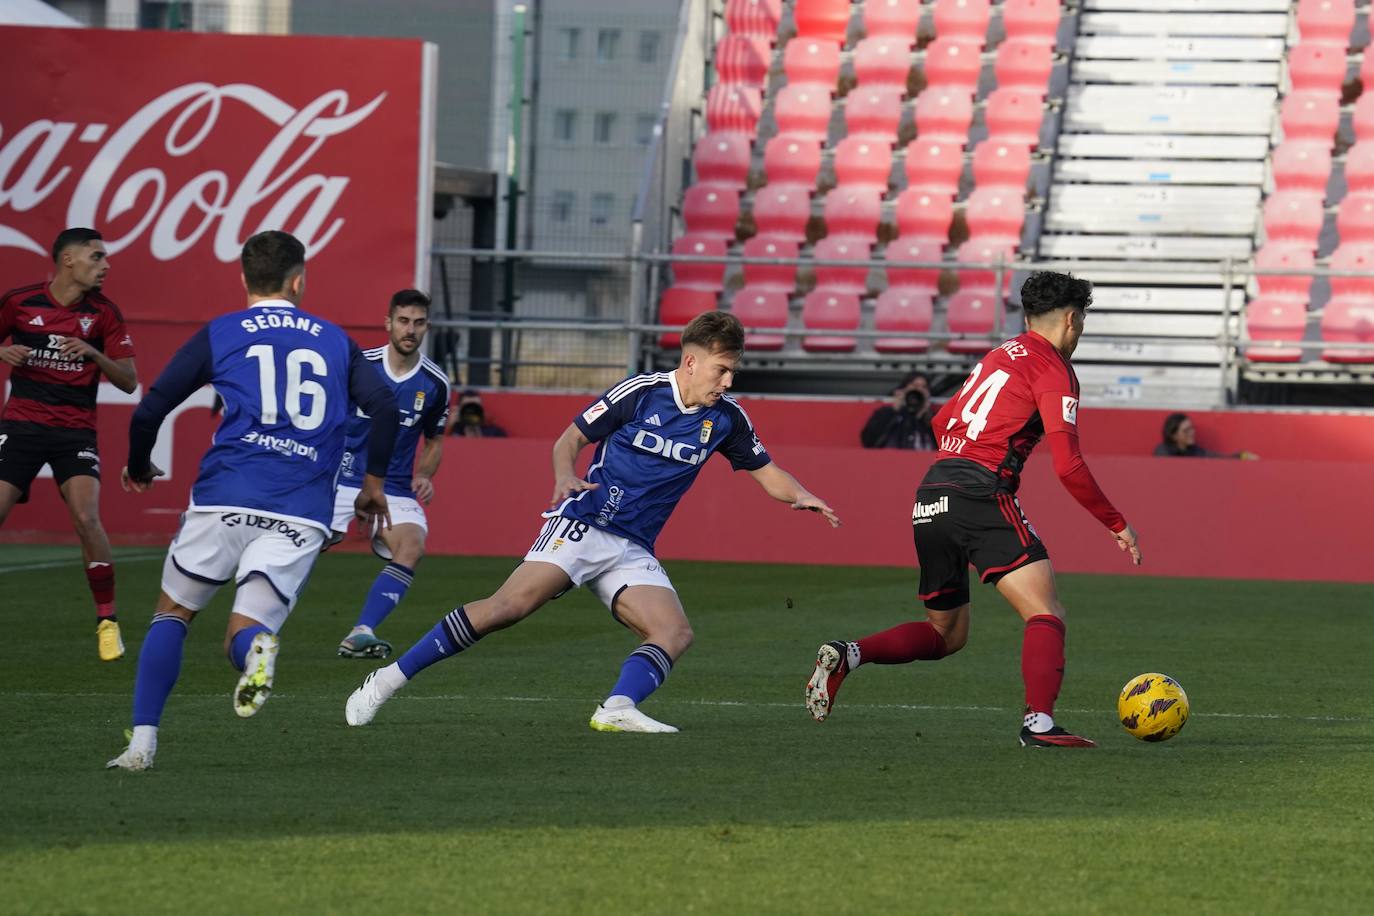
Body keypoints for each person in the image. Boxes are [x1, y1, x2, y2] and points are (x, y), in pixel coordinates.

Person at [345, 310, 841, 733]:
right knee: (508, 607)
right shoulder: (642, 393)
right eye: (722, 370)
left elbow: (766, 470)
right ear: (691, 361)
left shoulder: (728, 419)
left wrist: (801, 496)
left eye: (733, 371)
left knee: (674, 633)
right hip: (585, 523)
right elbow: (570, 440)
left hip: (632, 546)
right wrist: (565, 475)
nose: (728, 381)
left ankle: (617, 708)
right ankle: (389, 678)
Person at [805, 271, 1141, 748]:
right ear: (1072, 319)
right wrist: (1116, 522)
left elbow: (944, 421)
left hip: (931, 493)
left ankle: (849, 654)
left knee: (947, 635)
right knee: (1046, 611)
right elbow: (1069, 466)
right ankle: (1039, 724)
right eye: (1081, 321)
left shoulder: (1000, 354)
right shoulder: (1054, 370)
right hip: (979, 493)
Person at [105, 230, 399, 771]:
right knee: (244, 632)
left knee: (172, 614)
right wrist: (373, 484)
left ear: (243, 279)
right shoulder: (335, 340)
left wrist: (140, 463)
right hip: (300, 509)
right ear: (299, 280)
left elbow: (148, 411)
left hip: (224, 496)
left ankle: (141, 745)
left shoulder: (222, 332)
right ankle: (255, 652)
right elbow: (384, 407)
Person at [0, 228, 139, 662]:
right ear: (68, 261)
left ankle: (107, 621)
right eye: (97, 257)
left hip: (74, 432)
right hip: (21, 425)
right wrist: (2, 354)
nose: (106, 265)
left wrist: (94, 354)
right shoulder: (20, 302)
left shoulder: (104, 314)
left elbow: (130, 380)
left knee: (85, 517)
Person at [332, 289, 450, 659]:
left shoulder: (435, 384)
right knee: (301, 544)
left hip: (395, 486)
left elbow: (434, 441)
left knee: (411, 545)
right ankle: (262, 625)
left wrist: (426, 474)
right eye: (402, 321)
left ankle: (362, 632)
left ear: (427, 327)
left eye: (417, 323)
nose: (409, 330)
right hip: (341, 479)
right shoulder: (359, 366)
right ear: (388, 323)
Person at [860, 370, 936, 450]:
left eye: (924, 387)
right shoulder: (885, 413)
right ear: (903, 389)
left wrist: (926, 415)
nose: (919, 390)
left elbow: (944, 446)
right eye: (915, 386)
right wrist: (894, 411)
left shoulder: (934, 418)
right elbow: (868, 441)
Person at [1153, 413, 1258, 460]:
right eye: (1186, 430)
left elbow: (1220, 458)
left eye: (1192, 428)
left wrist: (1241, 456)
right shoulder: (1163, 452)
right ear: (1174, 435)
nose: (1192, 432)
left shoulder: (1196, 451)